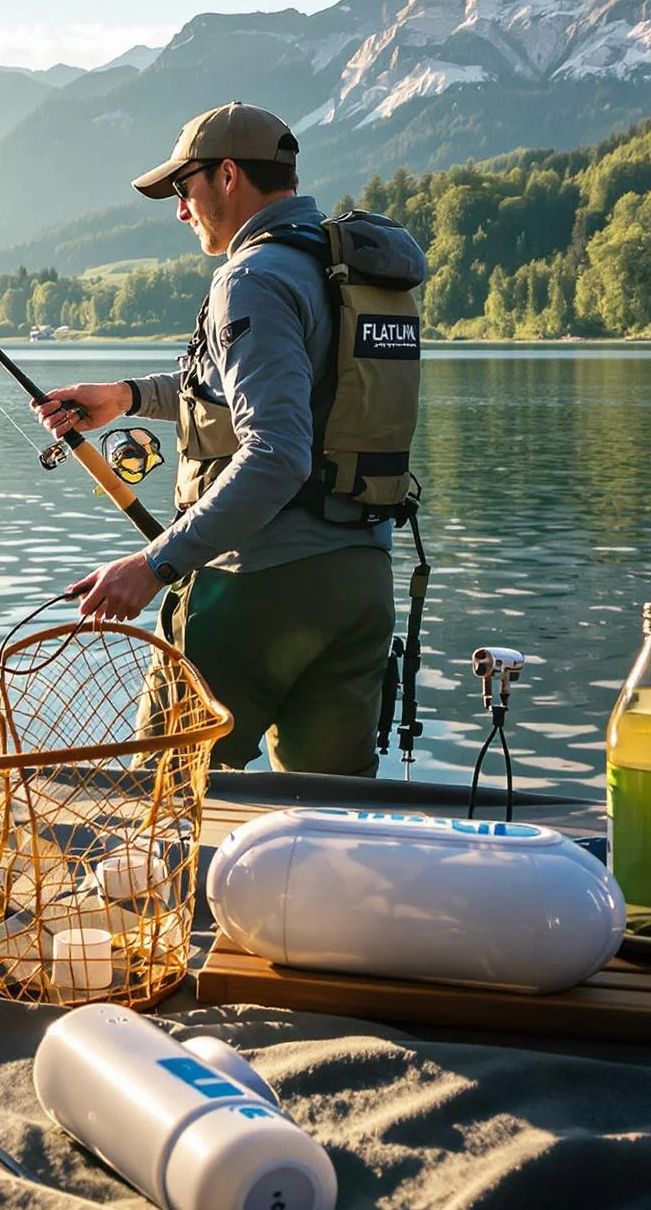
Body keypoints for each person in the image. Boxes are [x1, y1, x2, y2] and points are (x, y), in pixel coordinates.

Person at [35, 102, 423, 776]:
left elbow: (275, 453)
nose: (181, 210)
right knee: (327, 819)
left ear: (230, 176)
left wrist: (153, 565)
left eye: (185, 189)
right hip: (361, 584)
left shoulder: (253, 277)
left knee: (165, 804)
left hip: (258, 590)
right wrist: (125, 397)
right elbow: (264, 388)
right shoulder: (335, 269)